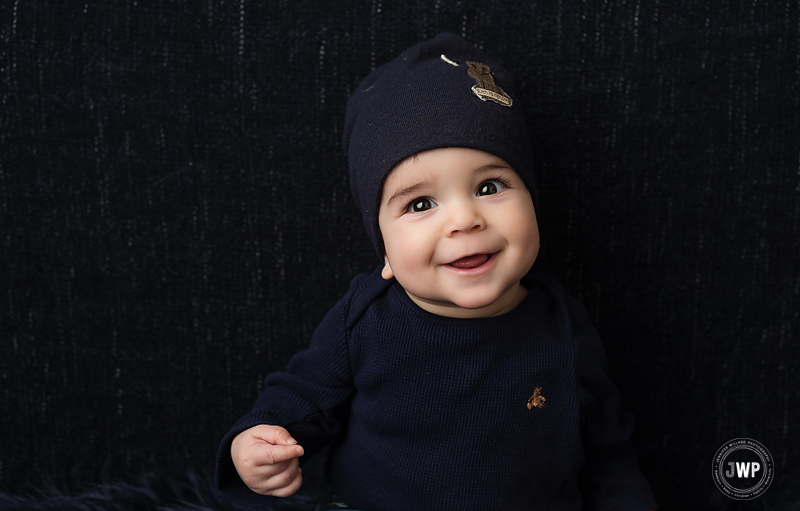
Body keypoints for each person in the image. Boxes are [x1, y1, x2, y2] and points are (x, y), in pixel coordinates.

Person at [215, 32, 658, 511]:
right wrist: (256, 444)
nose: (465, 220)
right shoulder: (364, 320)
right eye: (420, 203)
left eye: (490, 186)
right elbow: (301, 399)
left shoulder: (563, 328)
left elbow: (610, 456)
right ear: (383, 249)